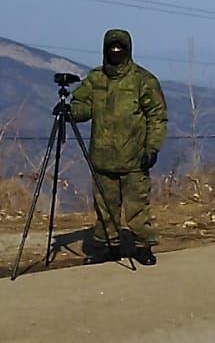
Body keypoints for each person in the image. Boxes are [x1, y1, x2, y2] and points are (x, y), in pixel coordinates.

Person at [66, 28, 167, 266]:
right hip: (102, 158)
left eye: (119, 47)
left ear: (128, 50)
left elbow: (157, 116)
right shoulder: (96, 79)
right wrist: (69, 111)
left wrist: (152, 148)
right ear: (104, 50)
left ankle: (143, 247)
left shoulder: (143, 80)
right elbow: (83, 106)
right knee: (104, 208)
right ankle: (109, 246)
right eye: (111, 47)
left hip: (134, 158)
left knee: (137, 208)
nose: (115, 51)